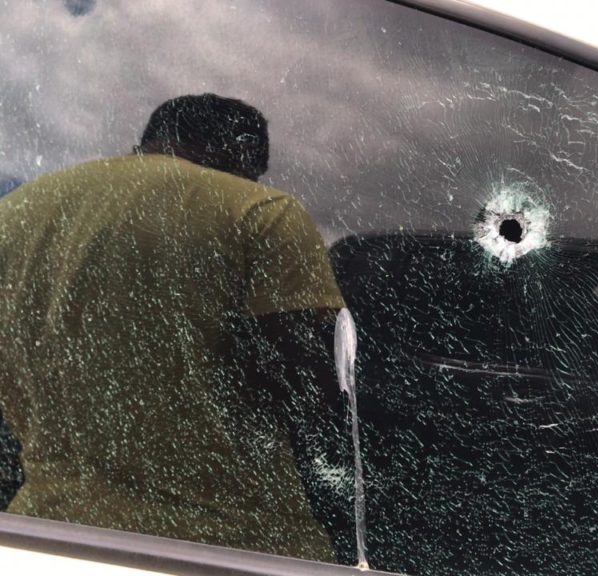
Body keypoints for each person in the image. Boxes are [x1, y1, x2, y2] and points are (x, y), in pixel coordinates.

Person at [0, 94, 352, 563]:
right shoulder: (262, 211)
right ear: (240, 152)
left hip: (40, 533)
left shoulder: (16, 212)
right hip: (231, 546)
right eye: (255, 169)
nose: (253, 181)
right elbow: (310, 387)